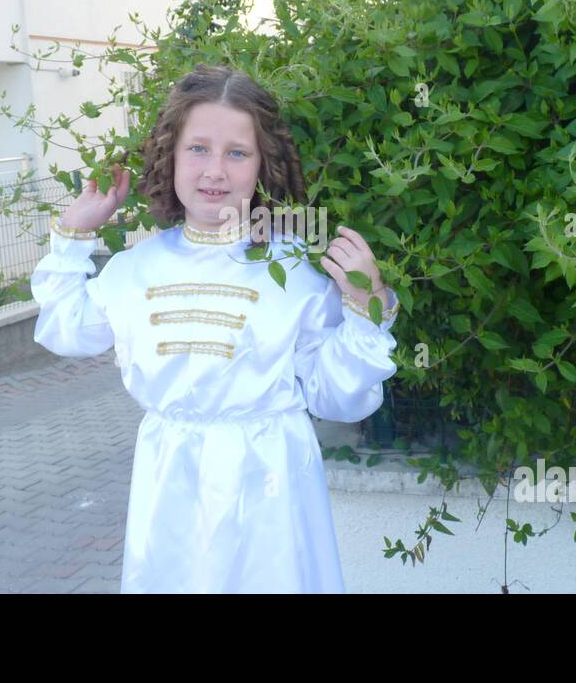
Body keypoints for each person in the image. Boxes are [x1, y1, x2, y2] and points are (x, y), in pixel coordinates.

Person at [30, 63, 401, 593]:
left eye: (236, 153)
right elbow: (67, 330)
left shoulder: (295, 269)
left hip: (272, 483)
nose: (215, 171)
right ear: (170, 156)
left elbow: (337, 397)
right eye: (198, 148)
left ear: (262, 165)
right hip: (171, 482)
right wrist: (72, 236)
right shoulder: (136, 269)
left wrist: (367, 307)